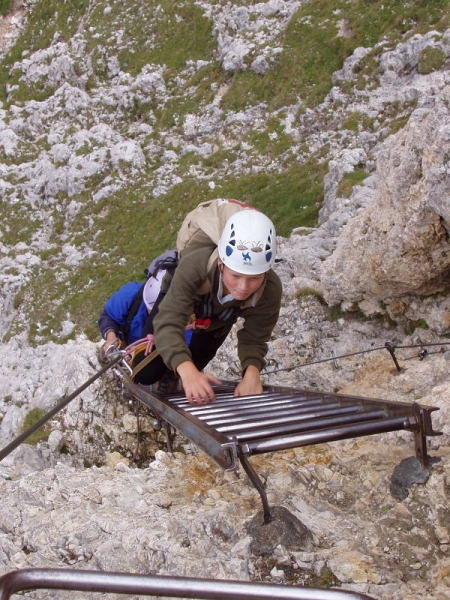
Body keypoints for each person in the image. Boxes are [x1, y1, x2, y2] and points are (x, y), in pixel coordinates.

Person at [131, 208, 282, 405]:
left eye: (254, 278)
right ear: (221, 262)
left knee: (198, 360)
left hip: (218, 319)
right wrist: (187, 370)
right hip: (177, 302)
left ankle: (174, 375)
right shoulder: (194, 266)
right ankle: (177, 370)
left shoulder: (270, 288)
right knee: (146, 371)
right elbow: (169, 321)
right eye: (235, 276)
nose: (243, 288)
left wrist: (251, 373)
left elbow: (256, 335)